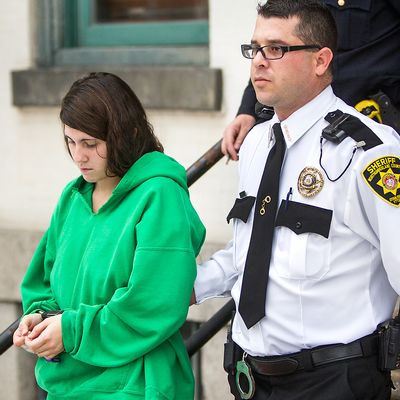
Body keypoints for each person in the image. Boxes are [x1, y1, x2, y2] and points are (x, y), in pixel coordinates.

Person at [193, 1, 400, 399]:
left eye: (276, 49)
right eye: (254, 48)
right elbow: (248, 253)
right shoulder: (257, 143)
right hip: (248, 377)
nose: (258, 63)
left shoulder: (368, 154)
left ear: (321, 60)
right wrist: (185, 287)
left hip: (333, 382)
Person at [13, 72, 206, 400]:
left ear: (126, 134)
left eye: (90, 144)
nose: (78, 156)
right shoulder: (73, 198)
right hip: (66, 383)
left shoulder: (159, 196)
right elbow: (44, 284)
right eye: (71, 142)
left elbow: (152, 305)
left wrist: (71, 330)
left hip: (137, 384)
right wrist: (40, 317)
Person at [222, 0, 400, 161]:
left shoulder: (383, 146)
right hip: (298, 127)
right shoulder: (255, 142)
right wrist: (248, 110)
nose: (258, 61)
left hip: (369, 125)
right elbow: (270, 45)